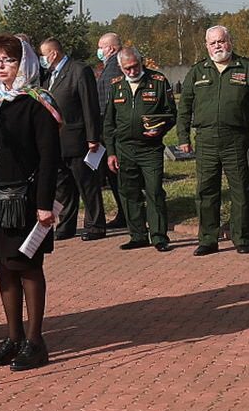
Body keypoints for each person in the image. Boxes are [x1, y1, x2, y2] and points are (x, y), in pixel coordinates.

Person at [0, 35, 62, 369]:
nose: (1, 66)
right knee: (3, 267)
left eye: (9, 60)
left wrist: (44, 204)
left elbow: (49, 158)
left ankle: (36, 342)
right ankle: (14, 337)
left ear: (25, 64)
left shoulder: (38, 103)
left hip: (23, 200)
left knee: (27, 266)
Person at [176, 26, 249, 255]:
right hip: (206, 139)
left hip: (237, 139)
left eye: (221, 41)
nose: (217, 46)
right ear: (206, 45)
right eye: (213, 42)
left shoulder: (247, 68)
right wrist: (183, 136)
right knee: (206, 190)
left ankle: (242, 238)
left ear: (230, 41)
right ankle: (208, 239)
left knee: (240, 189)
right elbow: (184, 107)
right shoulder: (197, 71)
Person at [104, 43, 176, 250]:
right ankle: (137, 235)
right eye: (127, 68)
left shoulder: (158, 81)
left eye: (135, 66)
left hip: (150, 148)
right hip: (124, 149)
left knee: (154, 191)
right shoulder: (116, 85)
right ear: (120, 68)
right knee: (129, 192)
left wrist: (160, 129)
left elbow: (171, 114)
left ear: (141, 62)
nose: (132, 71)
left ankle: (159, 236)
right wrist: (111, 153)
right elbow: (109, 123)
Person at [37, 37, 104, 240]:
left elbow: (89, 105)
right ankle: (66, 226)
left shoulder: (79, 70)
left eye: (43, 55)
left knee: (87, 184)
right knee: (63, 187)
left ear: (53, 54)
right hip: (57, 141)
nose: (42, 59)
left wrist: (93, 137)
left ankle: (95, 225)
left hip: (78, 138)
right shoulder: (48, 76)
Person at [95, 32, 127, 230]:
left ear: (112, 48)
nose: (99, 51)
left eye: (101, 47)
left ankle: (126, 213)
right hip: (111, 130)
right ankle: (124, 212)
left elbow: (109, 103)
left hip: (112, 131)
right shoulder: (111, 66)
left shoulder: (114, 68)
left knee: (117, 175)